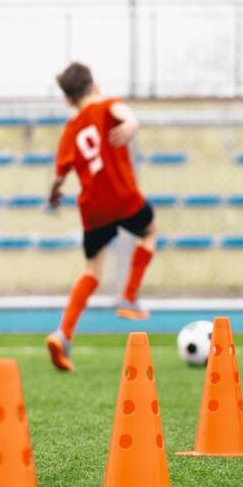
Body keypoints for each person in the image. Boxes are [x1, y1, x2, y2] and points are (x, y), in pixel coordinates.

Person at [45, 62, 157, 372]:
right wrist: (132, 123)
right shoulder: (109, 105)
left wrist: (54, 193)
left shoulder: (70, 130)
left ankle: (63, 334)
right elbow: (124, 115)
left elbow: (59, 177)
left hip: (93, 207)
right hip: (123, 197)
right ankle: (129, 298)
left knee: (92, 272)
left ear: (68, 100)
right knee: (150, 231)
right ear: (95, 85)